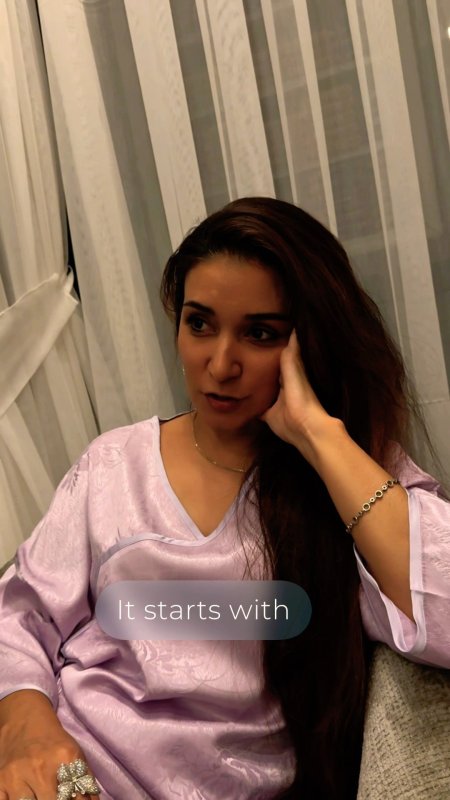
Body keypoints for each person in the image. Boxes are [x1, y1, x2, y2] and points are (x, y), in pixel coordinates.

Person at [0, 197, 449, 800]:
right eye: (200, 324)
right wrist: (27, 729)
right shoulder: (113, 465)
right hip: (61, 770)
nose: (220, 364)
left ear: (310, 342)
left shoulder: (350, 480)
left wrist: (317, 435)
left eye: (260, 334)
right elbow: (20, 613)